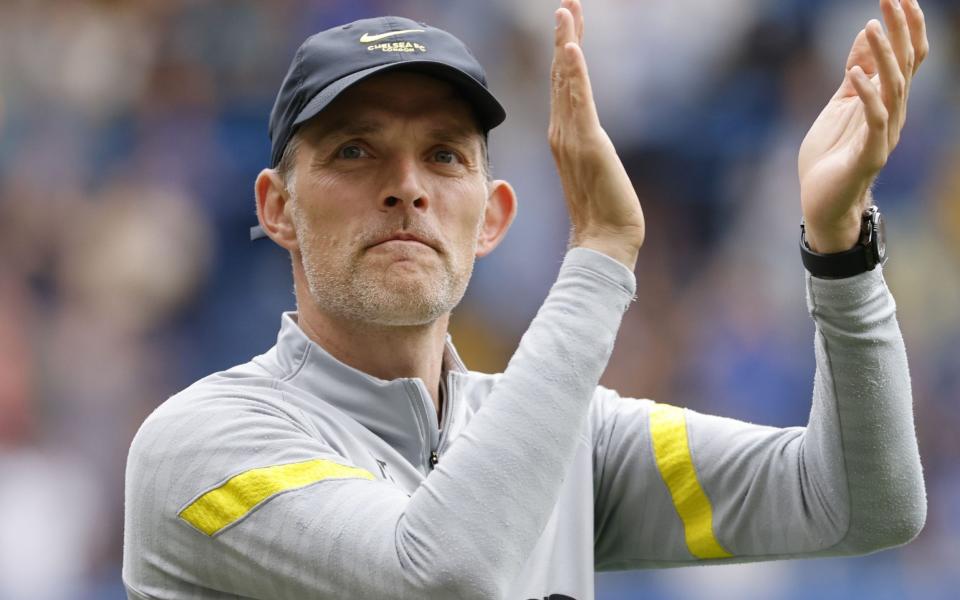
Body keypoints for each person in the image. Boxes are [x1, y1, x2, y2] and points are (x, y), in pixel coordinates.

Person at [122, 0, 929, 598]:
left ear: (493, 218)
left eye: (443, 156)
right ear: (275, 208)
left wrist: (842, 253)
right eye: (355, 150)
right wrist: (599, 259)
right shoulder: (196, 445)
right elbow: (442, 576)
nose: (406, 188)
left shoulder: (566, 441)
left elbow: (859, 503)